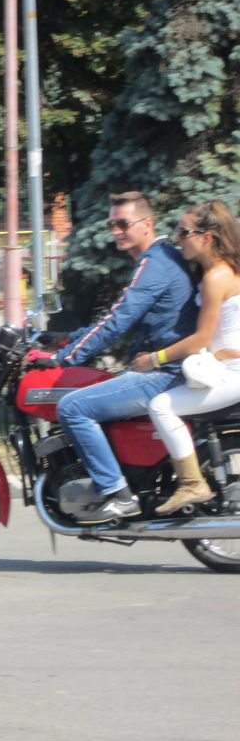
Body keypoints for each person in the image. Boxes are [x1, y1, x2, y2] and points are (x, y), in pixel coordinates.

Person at [51, 191, 197, 523]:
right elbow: (115, 317)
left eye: (123, 223)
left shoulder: (154, 263)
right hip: (167, 369)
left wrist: (64, 358)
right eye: (112, 224)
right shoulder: (159, 258)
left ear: (146, 224)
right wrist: (62, 339)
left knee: (72, 407)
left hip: (163, 374)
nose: (116, 230)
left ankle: (117, 492)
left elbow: (118, 320)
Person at [131, 201, 240, 513]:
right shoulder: (222, 272)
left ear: (207, 237)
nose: (177, 238)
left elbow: (202, 338)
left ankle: (192, 483)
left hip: (232, 373)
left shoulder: (216, 278)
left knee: (161, 406)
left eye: (184, 232)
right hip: (227, 368)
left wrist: (155, 359)